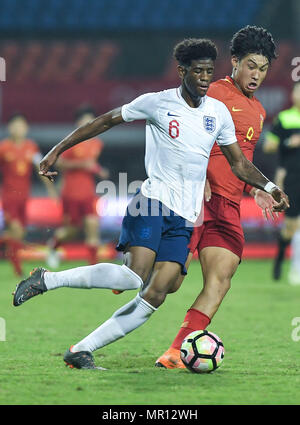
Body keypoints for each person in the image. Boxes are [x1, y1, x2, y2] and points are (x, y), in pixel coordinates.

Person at [12, 38, 289, 370]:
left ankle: (81, 349)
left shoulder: (218, 114)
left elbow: (239, 163)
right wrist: (57, 149)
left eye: (207, 72)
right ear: (182, 71)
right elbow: (105, 121)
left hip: (184, 218)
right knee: (134, 277)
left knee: (159, 291)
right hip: (152, 203)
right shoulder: (157, 103)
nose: (203, 78)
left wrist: (270, 187)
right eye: (198, 71)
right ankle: (47, 279)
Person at [155, 25, 283, 369]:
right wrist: (197, 177)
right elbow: (178, 135)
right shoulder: (212, 94)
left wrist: (256, 188)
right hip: (194, 198)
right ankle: (129, 270)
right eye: (251, 66)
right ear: (235, 62)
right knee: (169, 283)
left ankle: (175, 351)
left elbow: (242, 159)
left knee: (221, 278)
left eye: (264, 69)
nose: (257, 75)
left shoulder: (257, 111)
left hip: (227, 205)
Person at [47, 104, 109, 268]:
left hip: (88, 192)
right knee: (71, 231)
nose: (88, 124)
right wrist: (82, 165)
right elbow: (59, 163)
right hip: (71, 192)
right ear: (78, 123)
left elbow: (91, 164)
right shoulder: (71, 141)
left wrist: (98, 170)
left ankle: (93, 267)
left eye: (91, 120)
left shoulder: (97, 143)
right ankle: (53, 245)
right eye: (84, 120)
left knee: (92, 225)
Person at [0, 113, 56, 276]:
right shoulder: (4, 148)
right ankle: (18, 271)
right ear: (10, 128)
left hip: (25, 197)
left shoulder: (31, 147)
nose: (19, 129)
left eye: (22, 125)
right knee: (16, 230)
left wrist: (51, 189)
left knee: (19, 234)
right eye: (15, 125)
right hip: (9, 197)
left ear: (26, 128)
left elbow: (41, 170)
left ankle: (14, 261)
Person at [263, 81, 300, 283]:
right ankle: (279, 259)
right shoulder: (285, 119)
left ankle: (296, 269)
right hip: (293, 177)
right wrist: (288, 142)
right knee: (291, 226)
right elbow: (268, 146)